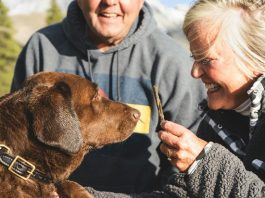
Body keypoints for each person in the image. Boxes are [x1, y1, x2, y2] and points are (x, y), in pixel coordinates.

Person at [11, 0, 205, 194]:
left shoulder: (172, 62)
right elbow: (16, 146)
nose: (110, 2)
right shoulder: (42, 49)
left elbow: (186, 168)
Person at [157, 0, 265, 197]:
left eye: (206, 59)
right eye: (194, 58)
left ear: (255, 57)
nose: (195, 72)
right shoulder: (216, 123)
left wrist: (203, 161)